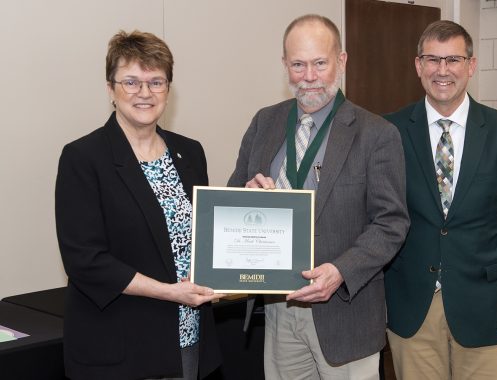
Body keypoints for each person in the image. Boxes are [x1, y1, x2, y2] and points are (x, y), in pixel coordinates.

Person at [227, 14, 409, 379]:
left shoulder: (377, 134)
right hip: (280, 310)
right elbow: (232, 198)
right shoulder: (264, 122)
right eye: (298, 64)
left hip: (346, 310)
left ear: (341, 62)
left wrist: (341, 272)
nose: (308, 76)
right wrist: (246, 198)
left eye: (319, 63)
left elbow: (391, 223)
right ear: (285, 66)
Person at [55, 30, 223, 380]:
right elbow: (84, 260)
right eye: (131, 82)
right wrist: (170, 292)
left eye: (156, 82)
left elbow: (204, 237)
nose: (144, 93)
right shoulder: (83, 158)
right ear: (110, 89)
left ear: (168, 90)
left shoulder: (190, 152)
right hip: (120, 347)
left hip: (187, 337)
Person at [384, 20, 497, 380]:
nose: (443, 70)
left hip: (487, 308)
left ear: (471, 66)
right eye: (432, 59)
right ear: (418, 66)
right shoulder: (388, 131)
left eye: (453, 59)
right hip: (412, 308)